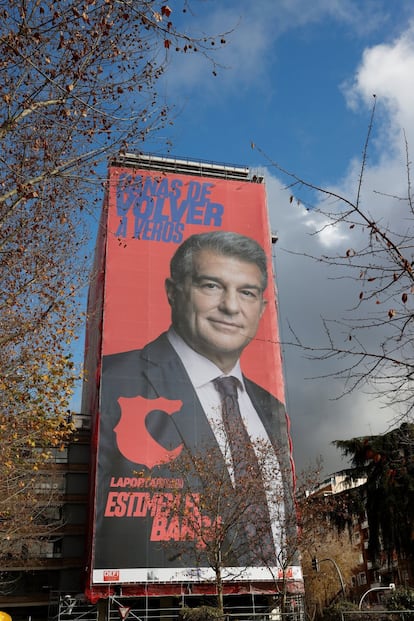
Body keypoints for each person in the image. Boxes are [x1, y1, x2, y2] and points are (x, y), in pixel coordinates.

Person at [94, 231, 295, 574]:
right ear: (173, 292)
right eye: (211, 286)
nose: (231, 306)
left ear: (261, 308)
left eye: (246, 292)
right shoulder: (115, 380)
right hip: (160, 601)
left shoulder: (272, 407)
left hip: (272, 592)